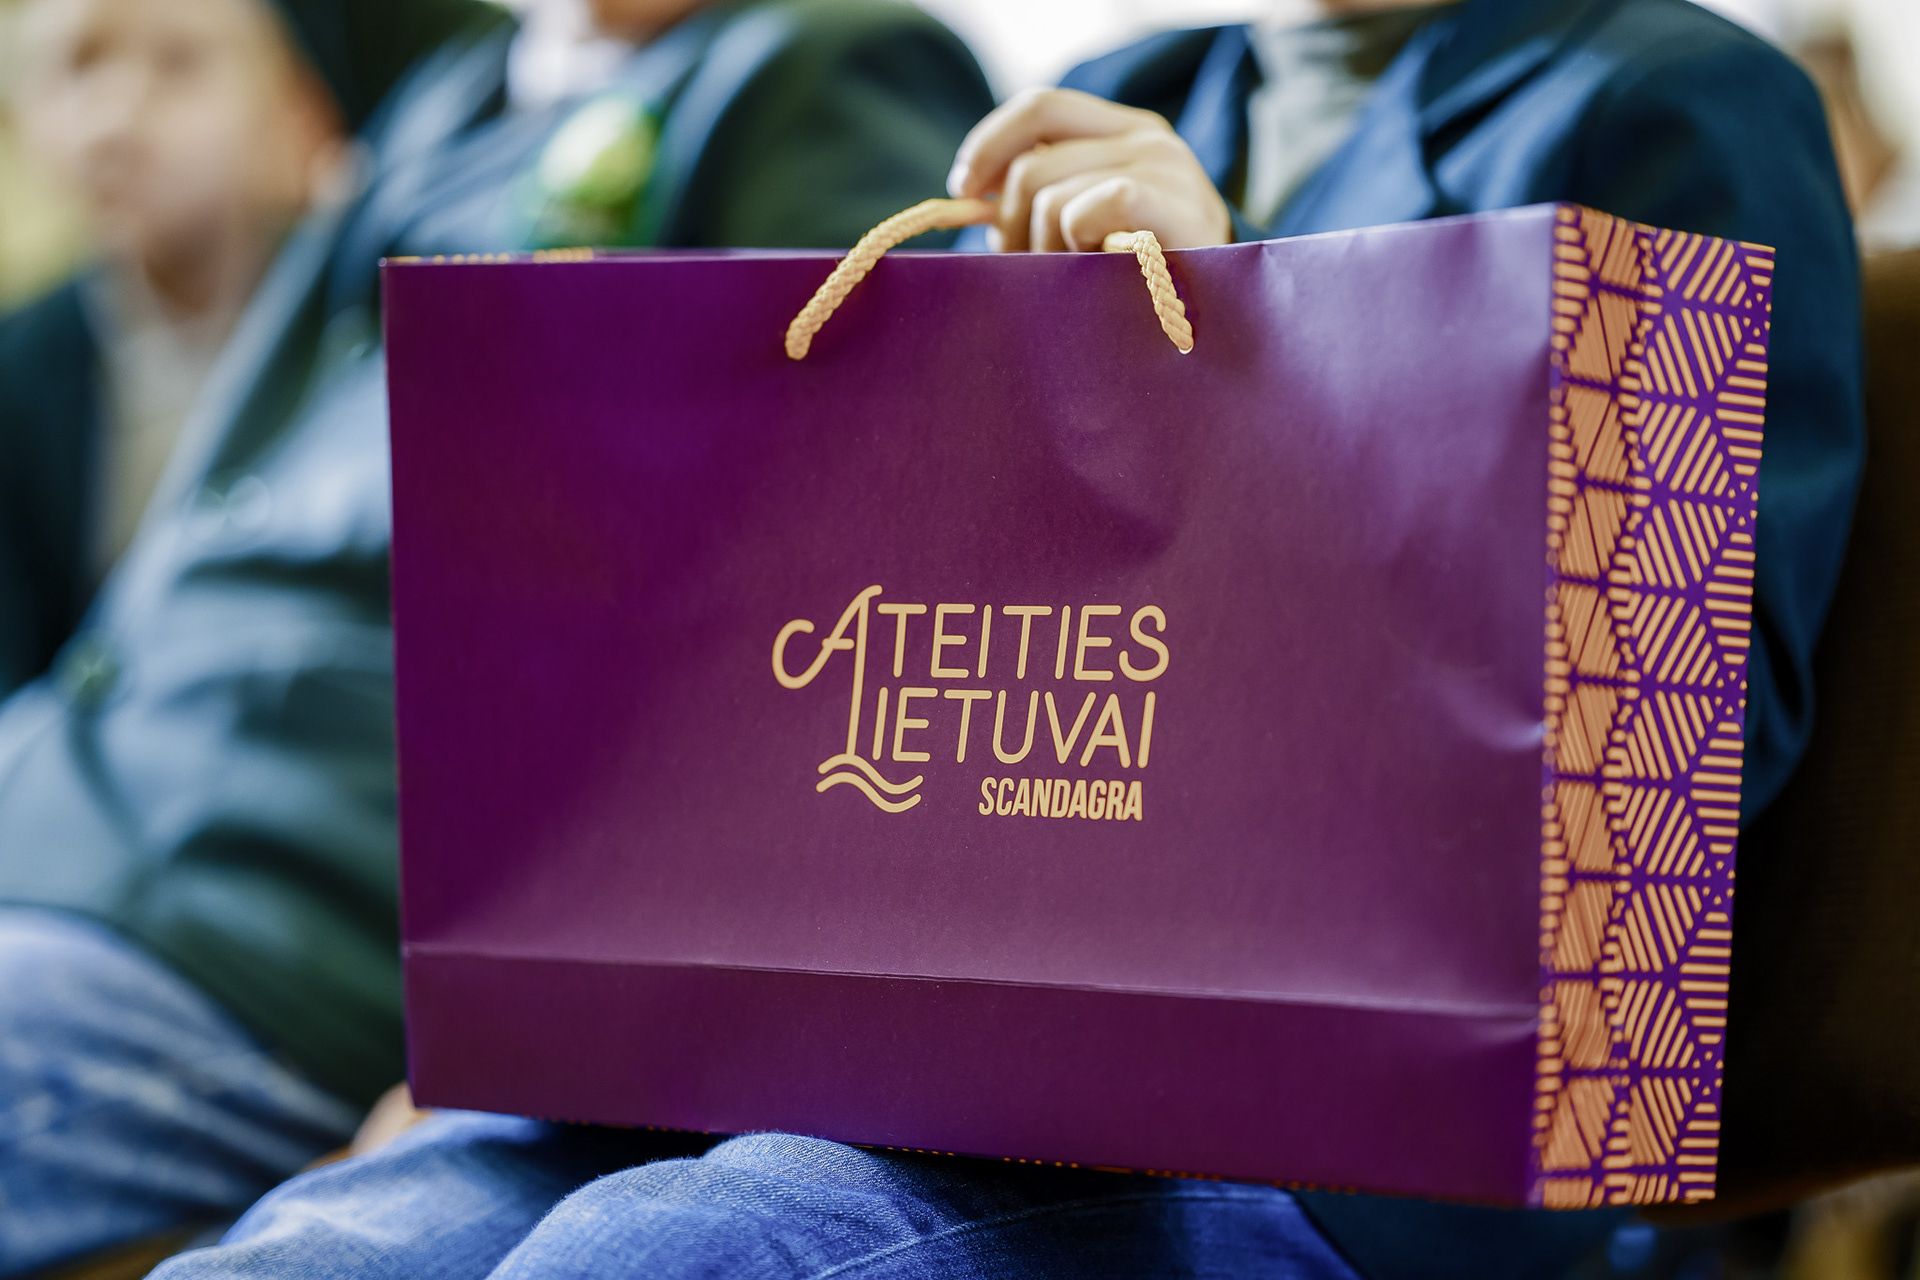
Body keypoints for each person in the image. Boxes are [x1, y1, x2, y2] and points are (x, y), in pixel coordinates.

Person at [147, 0, 1863, 1278]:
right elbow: (919, 630)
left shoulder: (1670, 107)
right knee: (312, 1255)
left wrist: (1258, 350)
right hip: (935, 1058)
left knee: (681, 1255)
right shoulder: (1118, 93)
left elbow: (1655, 764)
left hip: (1354, 1153)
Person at [0, 0, 990, 1274]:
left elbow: (839, 606)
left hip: (293, 902)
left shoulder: (816, 68)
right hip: (74, 799)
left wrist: (533, 1028)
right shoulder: (447, 96)